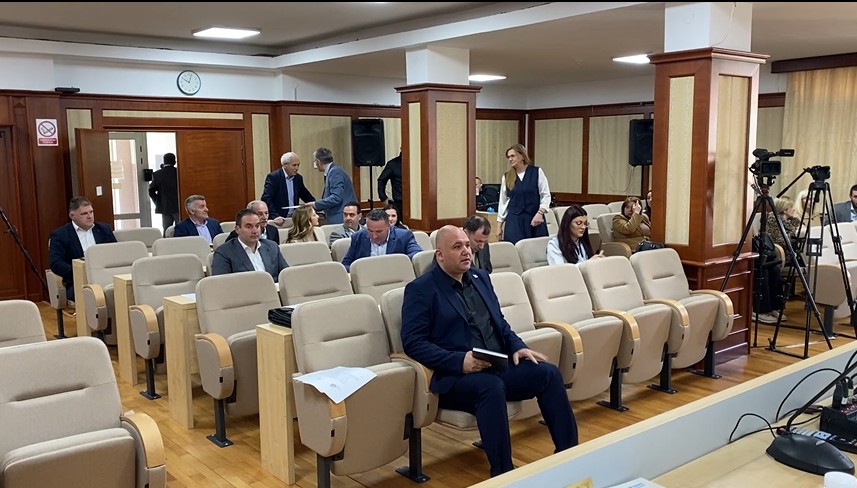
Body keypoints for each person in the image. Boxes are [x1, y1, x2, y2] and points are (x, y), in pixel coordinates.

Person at [401, 225, 578, 477]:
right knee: (490, 387)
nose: (466, 251)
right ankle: (504, 474)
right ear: (439, 255)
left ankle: (570, 455)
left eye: (467, 245)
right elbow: (413, 342)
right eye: (457, 247)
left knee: (548, 373)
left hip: (496, 364)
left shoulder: (480, 277)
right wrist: (459, 361)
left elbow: (500, 323)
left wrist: (518, 346)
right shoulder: (421, 289)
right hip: (456, 377)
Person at [49, 196, 117, 301]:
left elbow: (116, 254)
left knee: (122, 291)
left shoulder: (104, 229)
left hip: (106, 277)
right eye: (84, 214)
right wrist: (79, 273)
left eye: (91, 212)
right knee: (94, 296)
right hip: (78, 282)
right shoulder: (60, 235)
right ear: (72, 216)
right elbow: (56, 263)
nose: (90, 216)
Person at [211, 208, 287, 282]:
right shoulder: (224, 252)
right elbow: (221, 284)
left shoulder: (272, 247)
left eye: (257, 226)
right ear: (237, 229)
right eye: (249, 227)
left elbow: (285, 275)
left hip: (273, 289)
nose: (255, 231)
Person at [497, 144, 551, 244]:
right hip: (514, 220)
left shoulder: (537, 172)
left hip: (534, 218)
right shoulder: (507, 177)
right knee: (514, 248)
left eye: (512, 156)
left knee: (537, 247)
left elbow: (545, 195)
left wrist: (540, 213)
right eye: (508, 157)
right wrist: (499, 226)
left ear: (522, 156)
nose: (510, 159)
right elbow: (503, 202)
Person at [341, 208, 422, 271]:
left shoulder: (404, 236)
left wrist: (392, 263)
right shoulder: (358, 237)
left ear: (389, 226)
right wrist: (361, 270)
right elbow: (345, 265)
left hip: (394, 277)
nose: (374, 236)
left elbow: (417, 254)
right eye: (370, 231)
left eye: (379, 231)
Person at [261, 152, 316, 225]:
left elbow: (305, 195)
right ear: (284, 165)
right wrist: (275, 216)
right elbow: (266, 198)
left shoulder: (298, 178)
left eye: (298, 165)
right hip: (279, 218)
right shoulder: (274, 177)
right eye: (294, 165)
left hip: (294, 218)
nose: (297, 168)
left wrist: (317, 205)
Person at [307, 147, 357, 225]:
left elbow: (336, 198)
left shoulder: (335, 172)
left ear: (318, 162)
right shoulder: (333, 171)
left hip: (340, 217)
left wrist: (315, 204)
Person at [147, 152, 179, 234]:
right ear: (174, 162)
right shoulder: (179, 172)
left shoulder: (157, 174)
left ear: (164, 162)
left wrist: (157, 202)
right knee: (181, 229)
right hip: (179, 206)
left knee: (166, 230)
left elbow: (151, 191)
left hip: (165, 206)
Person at [377, 149, 402, 220]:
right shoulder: (393, 164)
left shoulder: (416, 162)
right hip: (398, 202)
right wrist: (383, 197)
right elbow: (382, 180)